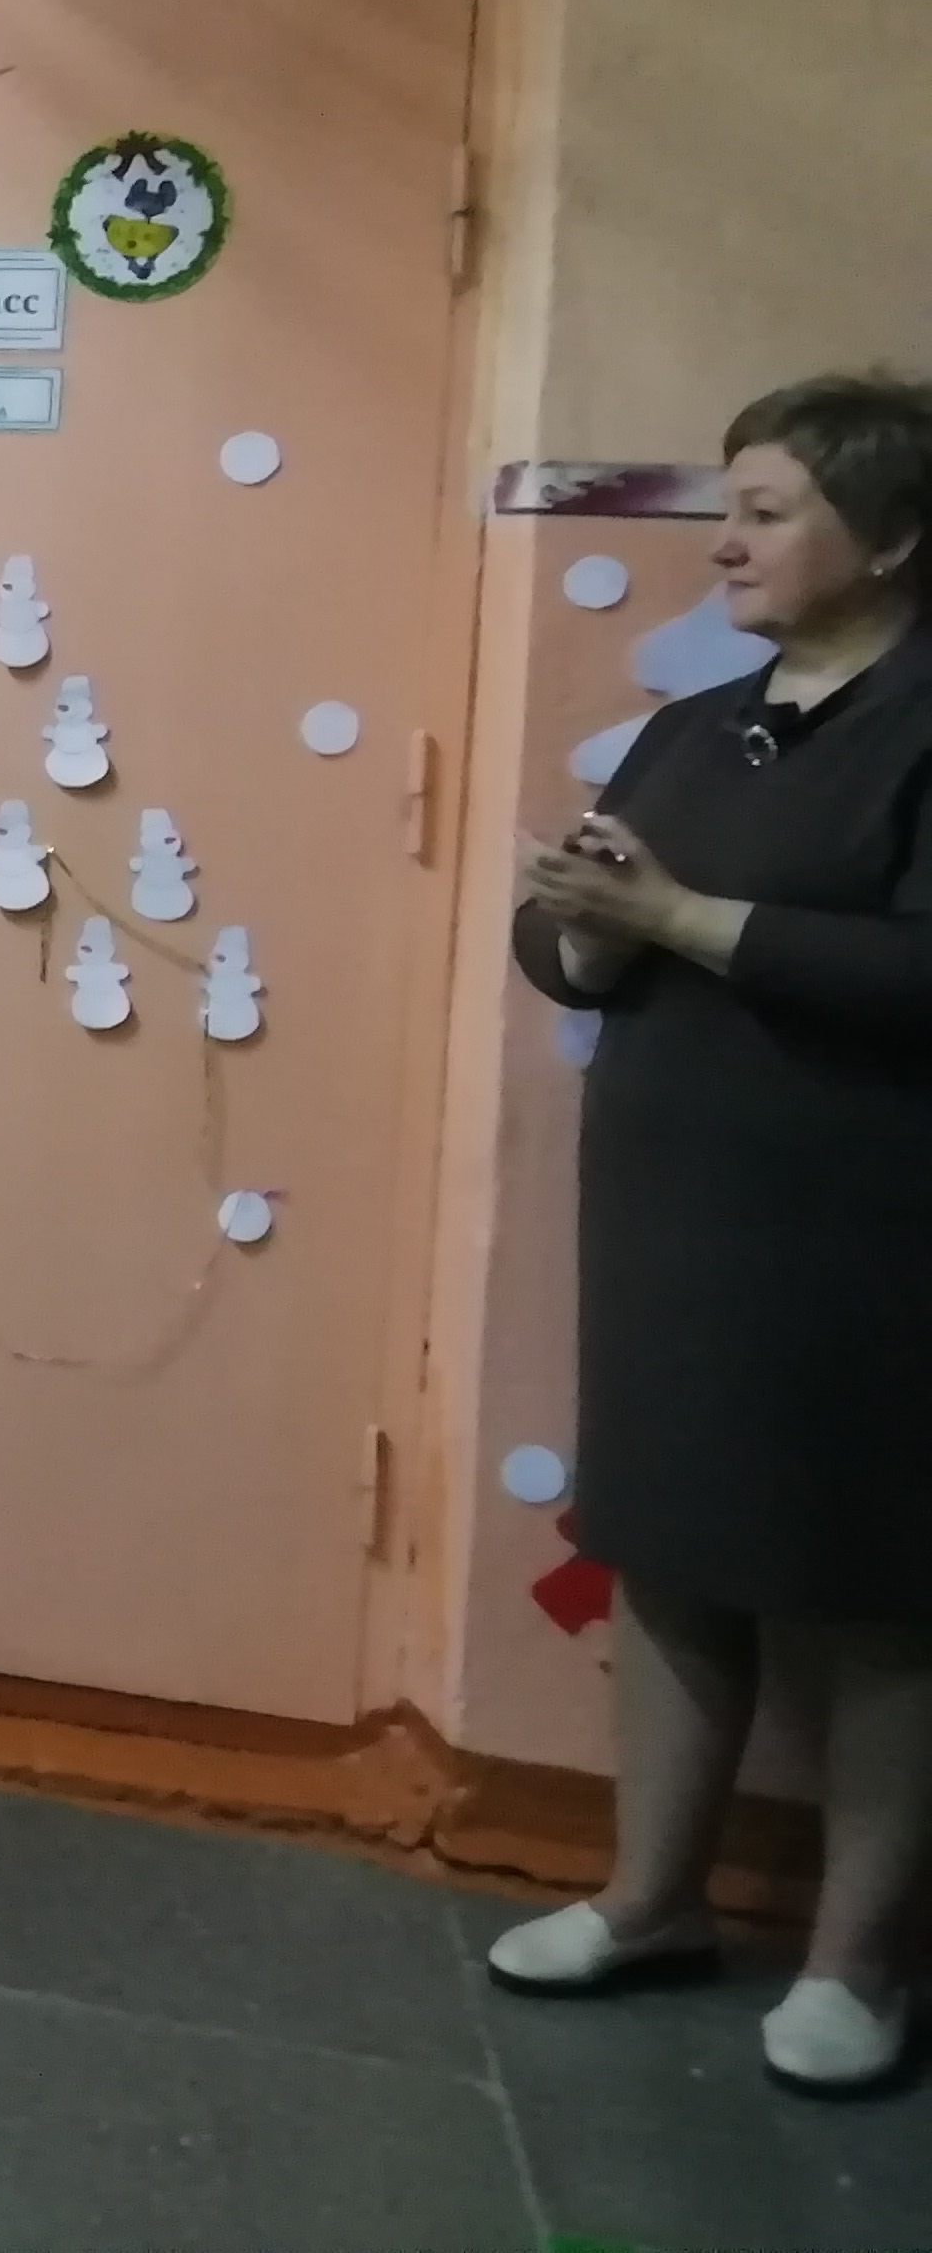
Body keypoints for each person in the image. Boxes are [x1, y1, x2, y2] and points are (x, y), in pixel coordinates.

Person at [494, 373, 932, 2095]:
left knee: (879, 1596)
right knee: (666, 1545)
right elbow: (580, 948)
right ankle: (650, 1902)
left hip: (870, 1232)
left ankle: (858, 1966)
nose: (725, 544)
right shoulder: (700, 724)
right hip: (675, 1219)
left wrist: (674, 914)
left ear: (892, 537)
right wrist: (591, 931)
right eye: (723, 511)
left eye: (766, 512)